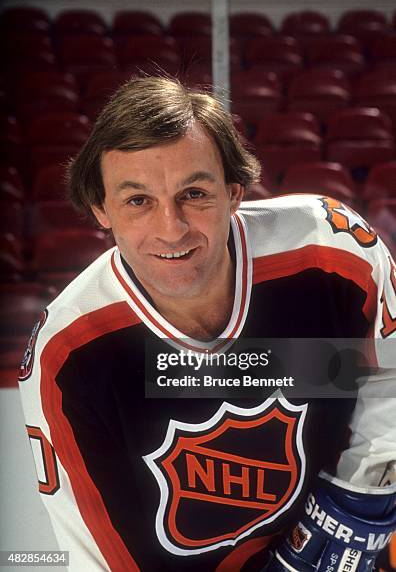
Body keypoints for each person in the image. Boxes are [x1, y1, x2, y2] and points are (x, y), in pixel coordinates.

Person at [19, 76, 395, 571]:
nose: (171, 228)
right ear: (101, 210)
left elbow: (382, 375)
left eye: (194, 193)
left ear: (235, 192)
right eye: (138, 201)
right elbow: (97, 557)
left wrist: (357, 501)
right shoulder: (68, 355)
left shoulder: (330, 251)